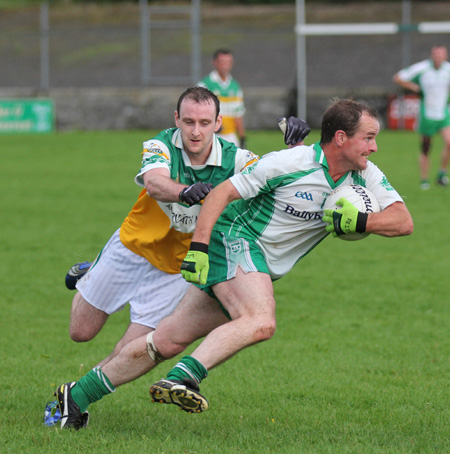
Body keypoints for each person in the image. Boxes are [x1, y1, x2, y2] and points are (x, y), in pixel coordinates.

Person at [50, 99, 412, 428]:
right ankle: (184, 377)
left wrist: (361, 222)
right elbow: (222, 193)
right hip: (234, 241)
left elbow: (403, 221)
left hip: (258, 267)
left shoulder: (365, 174)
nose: (374, 146)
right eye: (368, 138)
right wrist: (200, 248)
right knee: (260, 320)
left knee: (167, 339)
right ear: (341, 138)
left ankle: (76, 397)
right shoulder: (290, 164)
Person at [47, 86, 310, 429]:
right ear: (177, 120)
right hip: (133, 247)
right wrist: (184, 191)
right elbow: (155, 183)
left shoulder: (238, 158)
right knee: (80, 332)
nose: (195, 131)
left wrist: (295, 147)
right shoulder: (160, 144)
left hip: (177, 269)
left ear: (218, 122)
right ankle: (90, 272)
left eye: (204, 122)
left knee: (129, 349)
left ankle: (78, 397)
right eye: (188, 122)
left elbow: (276, 176)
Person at [393, 45, 450, 189]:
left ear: (445, 56)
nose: (438, 57)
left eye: (441, 54)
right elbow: (398, 77)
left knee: (449, 143)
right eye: (436, 54)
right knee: (426, 148)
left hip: (443, 114)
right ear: (432, 55)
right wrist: (414, 87)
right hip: (427, 115)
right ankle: (424, 180)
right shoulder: (422, 68)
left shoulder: (447, 69)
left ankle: (441, 173)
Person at [198, 48, 246, 148]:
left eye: (228, 62)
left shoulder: (235, 87)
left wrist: (242, 137)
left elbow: (238, 114)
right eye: (222, 62)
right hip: (211, 136)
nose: (225, 65)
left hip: (230, 136)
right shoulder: (205, 85)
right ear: (214, 62)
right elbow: (198, 111)